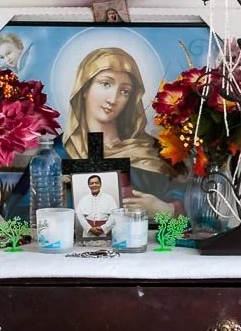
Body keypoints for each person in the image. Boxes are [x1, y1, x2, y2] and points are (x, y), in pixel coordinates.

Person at [63, 48, 183, 216]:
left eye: (124, 91)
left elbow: (190, 201)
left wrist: (167, 210)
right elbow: (25, 213)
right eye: (106, 84)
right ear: (84, 88)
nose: (113, 99)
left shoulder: (151, 151)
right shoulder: (58, 152)